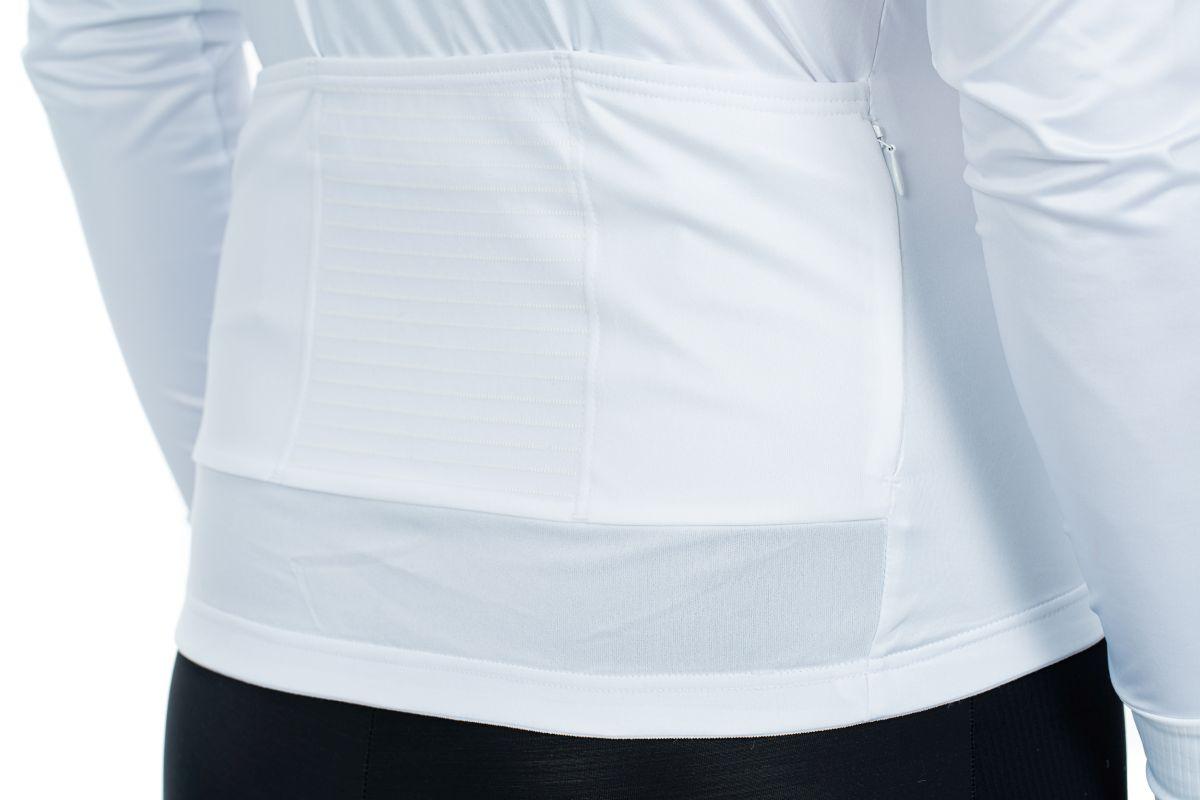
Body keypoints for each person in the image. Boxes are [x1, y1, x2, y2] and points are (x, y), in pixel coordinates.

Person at [24, 1, 1198, 798]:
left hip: (284, 669)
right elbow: (1089, 143)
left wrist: (290, 523)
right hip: (828, 667)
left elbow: (110, 41)